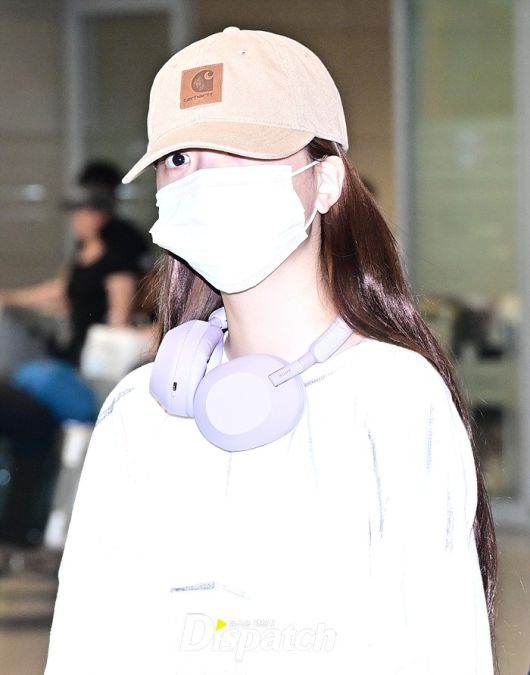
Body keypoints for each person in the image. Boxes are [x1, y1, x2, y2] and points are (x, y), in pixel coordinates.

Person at [44, 28, 497, 675]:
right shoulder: (140, 411)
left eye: (239, 148)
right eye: (179, 159)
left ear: (327, 180)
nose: (202, 180)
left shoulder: (392, 397)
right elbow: (86, 644)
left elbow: (440, 646)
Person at [0, 195, 142, 366]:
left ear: (99, 217)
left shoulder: (117, 262)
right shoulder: (81, 255)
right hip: (76, 346)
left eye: (82, 214)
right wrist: (10, 297)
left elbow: (119, 318)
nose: (75, 220)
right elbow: (61, 289)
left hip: (96, 355)